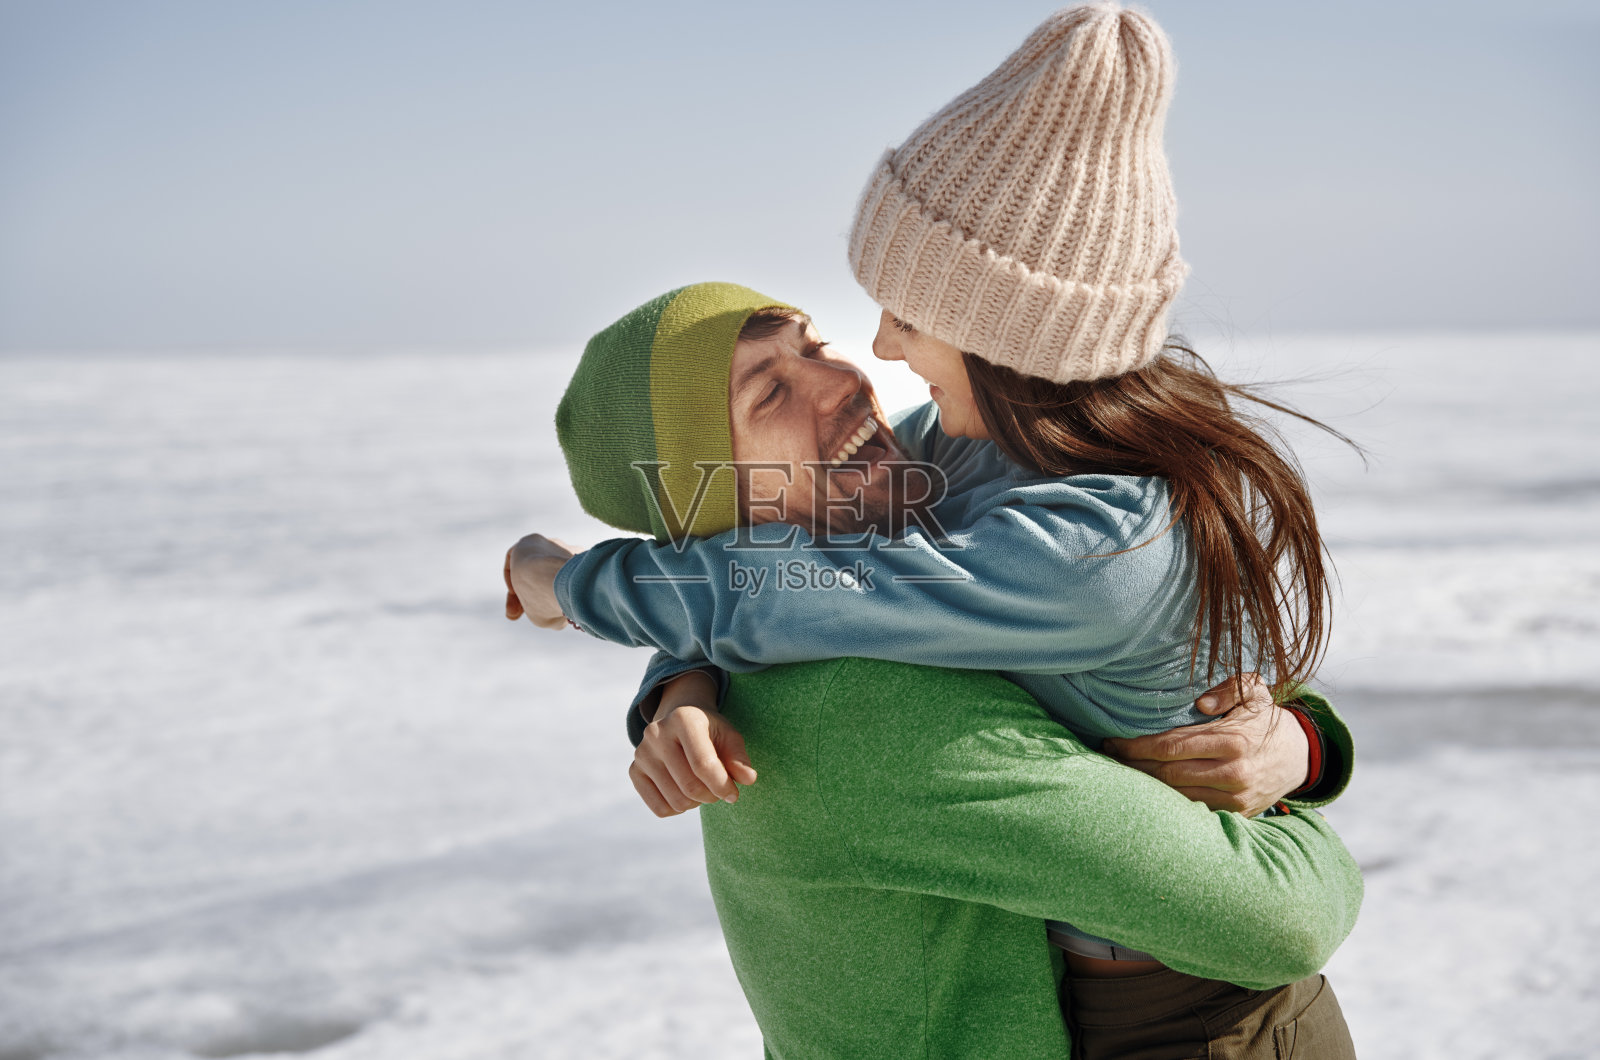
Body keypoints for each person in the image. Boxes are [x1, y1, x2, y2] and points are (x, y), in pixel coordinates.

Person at [511, 6, 1363, 1054]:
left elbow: (775, 587)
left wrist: (1302, 745)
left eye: (818, 340)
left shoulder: (1038, 514)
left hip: (1210, 1018)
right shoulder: (878, 670)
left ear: (1011, 339)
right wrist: (680, 670)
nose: (864, 359)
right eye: (771, 390)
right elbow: (769, 587)